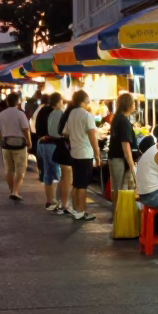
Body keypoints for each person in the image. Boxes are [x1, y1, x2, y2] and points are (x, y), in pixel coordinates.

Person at [62, 90, 101, 221]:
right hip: (85, 153)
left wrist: (75, 137)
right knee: (83, 185)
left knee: (77, 183)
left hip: (74, 153)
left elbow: (65, 133)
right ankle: (81, 211)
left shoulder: (71, 113)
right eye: (88, 99)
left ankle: (75, 210)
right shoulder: (87, 115)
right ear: (84, 99)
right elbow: (92, 135)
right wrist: (97, 153)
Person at [0, 92, 33, 200]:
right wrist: (29, 142)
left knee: (8, 169)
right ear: (17, 102)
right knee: (20, 169)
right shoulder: (20, 114)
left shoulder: (1, 114)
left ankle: (12, 190)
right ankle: (15, 191)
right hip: (19, 145)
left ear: (7, 102)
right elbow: (26, 129)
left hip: (6, 145)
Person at [35, 93, 64, 212]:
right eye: (62, 101)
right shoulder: (55, 113)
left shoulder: (42, 110)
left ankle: (50, 200)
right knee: (56, 173)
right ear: (58, 102)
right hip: (51, 144)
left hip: (41, 144)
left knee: (47, 172)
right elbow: (57, 130)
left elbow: (37, 127)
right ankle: (55, 201)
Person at [107, 92, 139, 195]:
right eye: (133, 103)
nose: (134, 105)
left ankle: (116, 211)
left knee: (116, 188)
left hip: (114, 157)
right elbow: (126, 145)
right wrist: (131, 164)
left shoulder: (117, 118)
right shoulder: (124, 121)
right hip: (120, 158)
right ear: (128, 105)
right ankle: (119, 211)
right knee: (120, 189)